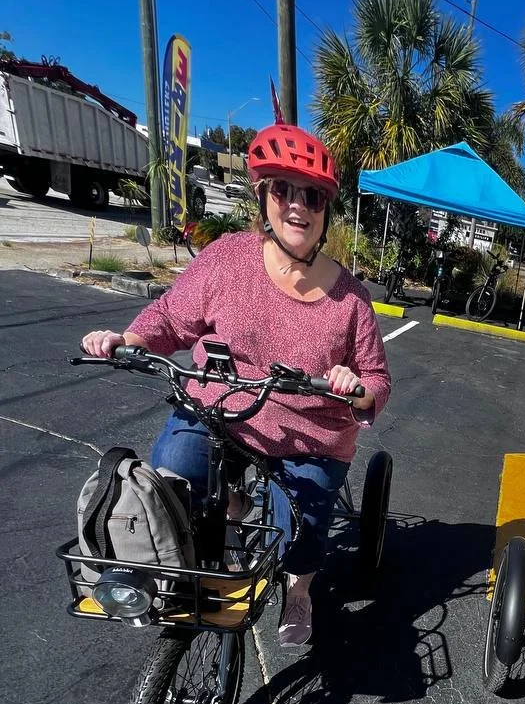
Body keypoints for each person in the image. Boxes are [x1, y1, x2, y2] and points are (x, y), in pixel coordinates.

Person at [81, 122, 392, 648]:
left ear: (325, 210)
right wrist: (128, 337)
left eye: (312, 196)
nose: (299, 205)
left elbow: (377, 383)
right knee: (171, 474)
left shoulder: (351, 299)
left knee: (301, 530)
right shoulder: (228, 258)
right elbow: (173, 318)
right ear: (263, 197)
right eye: (284, 190)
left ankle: (299, 593)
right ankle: (227, 515)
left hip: (309, 436)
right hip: (219, 408)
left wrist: (353, 384)